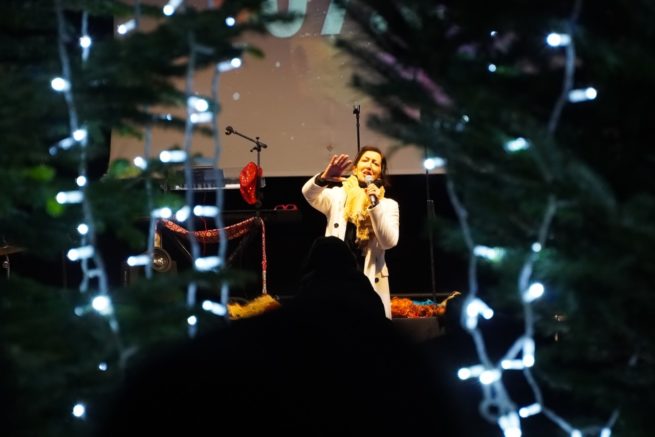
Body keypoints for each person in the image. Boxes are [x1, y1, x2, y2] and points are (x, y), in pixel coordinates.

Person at [302, 146, 399, 318]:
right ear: (355, 168)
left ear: (379, 174)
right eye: (365, 160)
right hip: (335, 277)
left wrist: (375, 205)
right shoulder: (337, 196)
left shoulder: (388, 205)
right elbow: (308, 194)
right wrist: (323, 178)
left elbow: (388, 242)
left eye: (375, 163)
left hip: (367, 279)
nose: (369, 165)